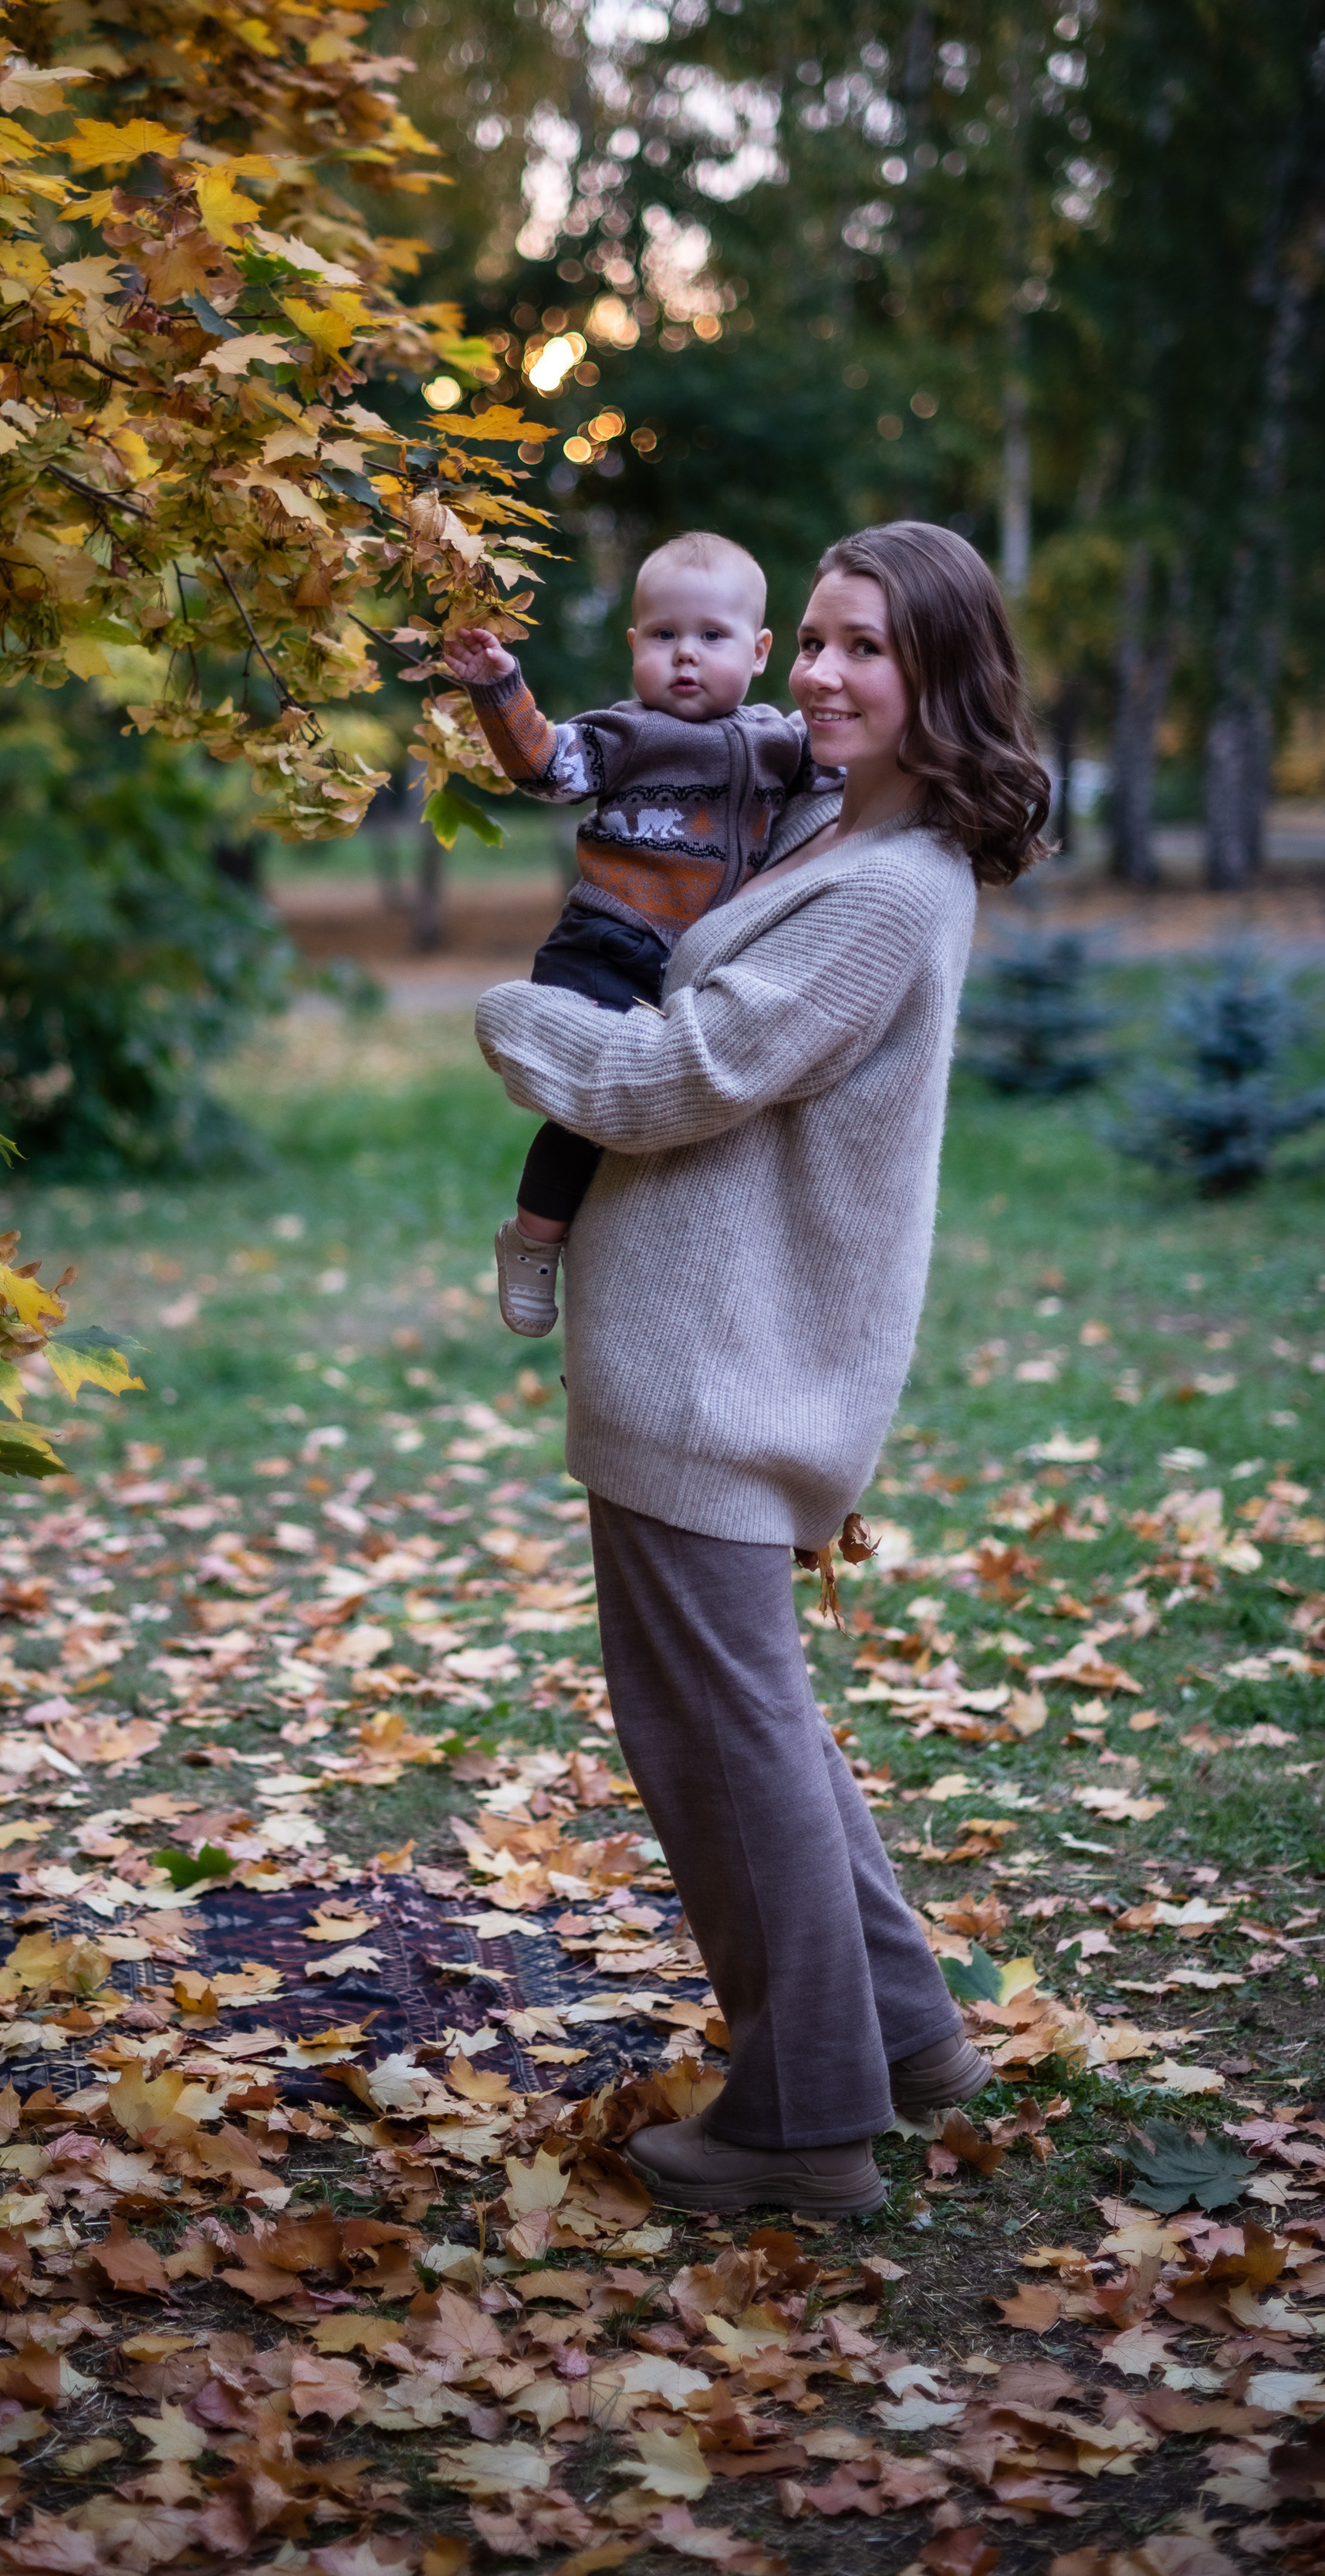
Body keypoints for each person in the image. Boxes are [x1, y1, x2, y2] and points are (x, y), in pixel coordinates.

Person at [472, 520, 1052, 2220]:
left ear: (939, 673)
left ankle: (802, 2122)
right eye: (808, 639)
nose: (816, 672)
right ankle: (904, 2035)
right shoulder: (824, 832)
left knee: (714, 1737)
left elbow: (675, 1072)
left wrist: (517, 1024)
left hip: (721, 1382)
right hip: (702, 1368)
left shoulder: (881, 890)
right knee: (759, 1722)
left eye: (863, 647)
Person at [440, 531, 835, 1339]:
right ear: (634, 647)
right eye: (663, 636)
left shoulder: (778, 742)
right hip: (606, 944)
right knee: (584, 1116)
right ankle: (533, 1241)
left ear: (760, 650)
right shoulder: (625, 735)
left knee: (665, 1112)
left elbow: (844, 768)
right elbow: (545, 767)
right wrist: (499, 690)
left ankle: (637, 1259)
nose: (684, 656)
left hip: (700, 964)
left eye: (711, 636)